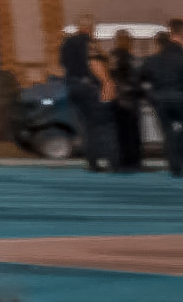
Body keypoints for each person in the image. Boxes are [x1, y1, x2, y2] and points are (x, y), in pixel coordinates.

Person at [65, 21, 119, 172]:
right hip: (92, 90)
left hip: (74, 88)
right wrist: (108, 86)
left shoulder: (67, 45)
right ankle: (113, 162)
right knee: (106, 126)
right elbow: (96, 65)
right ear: (89, 30)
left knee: (88, 128)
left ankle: (92, 162)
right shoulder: (88, 44)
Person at [112, 31, 154, 173]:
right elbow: (136, 79)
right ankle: (134, 162)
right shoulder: (130, 59)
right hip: (131, 100)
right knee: (134, 134)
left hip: (117, 100)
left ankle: (121, 163)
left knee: (120, 134)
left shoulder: (112, 57)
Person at [148, 25, 183, 182]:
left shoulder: (153, 60)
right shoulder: (180, 58)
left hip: (160, 100)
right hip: (179, 99)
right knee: (180, 132)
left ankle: (174, 166)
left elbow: (143, 80)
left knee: (168, 133)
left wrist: (152, 97)